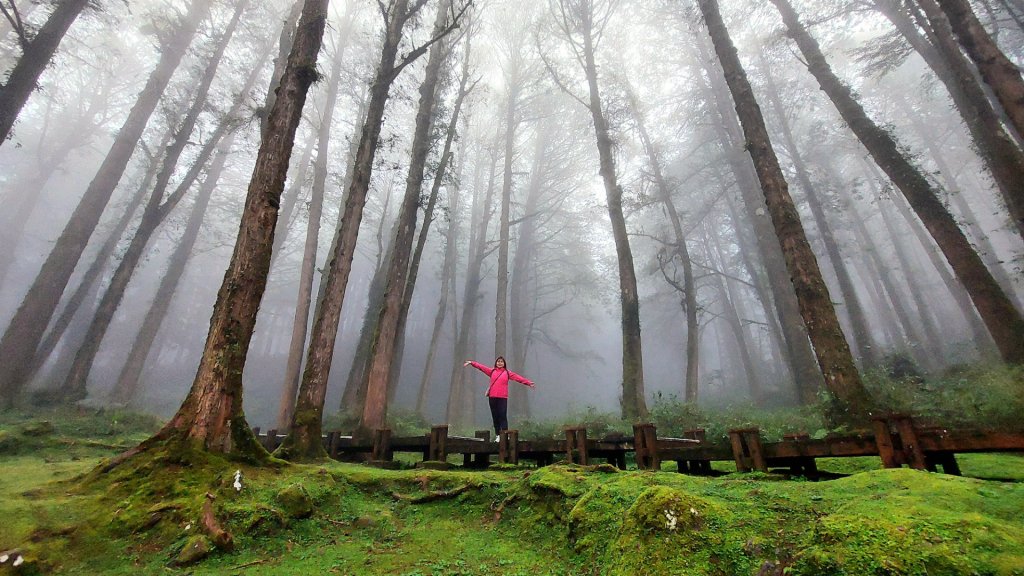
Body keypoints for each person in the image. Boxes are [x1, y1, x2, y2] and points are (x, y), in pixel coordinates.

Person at [463, 356, 535, 440]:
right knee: (495, 416)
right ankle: (498, 435)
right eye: (498, 361)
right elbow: (481, 367)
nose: (500, 363)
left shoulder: (507, 373)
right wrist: (472, 363)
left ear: (504, 363)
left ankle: (505, 435)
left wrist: (528, 383)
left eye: (501, 361)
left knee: (502, 415)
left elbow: (518, 378)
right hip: (492, 397)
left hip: (502, 398)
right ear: (496, 363)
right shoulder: (492, 371)